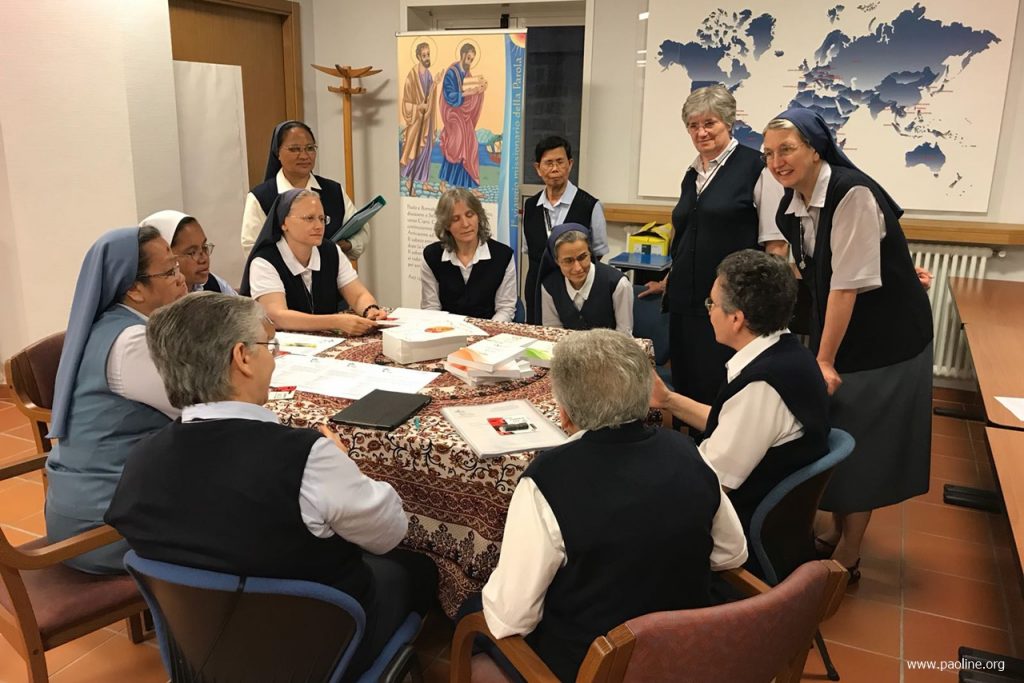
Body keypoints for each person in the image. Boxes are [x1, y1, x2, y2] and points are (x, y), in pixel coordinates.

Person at [105, 292, 436, 680]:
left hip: (202, 654)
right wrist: (347, 466)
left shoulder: (140, 461)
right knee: (416, 569)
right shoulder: (307, 458)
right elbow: (389, 533)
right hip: (317, 651)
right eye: (269, 346)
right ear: (242, 357)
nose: (274, 359)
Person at [473, 328, 747, 682]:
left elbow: (511, 619)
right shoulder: (691, 454)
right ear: (645, 397)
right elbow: (731, 554)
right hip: (686, 655)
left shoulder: (546, 480)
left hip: (594, 667)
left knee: (471, 616)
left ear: (565, 412)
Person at [762, 108, 933, 582]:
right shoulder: (794, 203)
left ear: (816, 149)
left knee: (865, 446)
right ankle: (837, 530)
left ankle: (850, 551)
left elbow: (845, 286)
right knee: (841, 431)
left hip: (887, 341)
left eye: (787, 149)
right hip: (844, 333)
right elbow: (811, 276)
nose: (776, 162)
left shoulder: (851, 192)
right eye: (769, 154)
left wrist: (823, 359)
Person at [650, 250, 829, 542]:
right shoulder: (788, 350)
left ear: (736, 319)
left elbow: (708, 482)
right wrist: (668, 400)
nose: (709, 311)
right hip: (763, 502)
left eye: (712, 303)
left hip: (739, 526)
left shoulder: (762, 387)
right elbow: (732, 425)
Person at [45, 226, 187, 573]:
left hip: (95, 503)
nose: (181, 278)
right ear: (134, 288)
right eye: (169, 271)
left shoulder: (118, 326)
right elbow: (201, 406)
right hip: (102, 528)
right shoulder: (131, 343)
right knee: (244, 508)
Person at [639, 85, 785, 410]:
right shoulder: (692, 173)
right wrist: (668, 280)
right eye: (693, 125)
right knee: (686, 386)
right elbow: (688, 236)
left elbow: (775, 245)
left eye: (709, 123)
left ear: (728, 123)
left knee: (721, 392)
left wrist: (766, 307)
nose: (701, 132)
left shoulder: (757, 168)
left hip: (729, 306)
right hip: (684, 304)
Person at [240, 189, 387, 335]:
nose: (319, 226)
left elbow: (358, 295)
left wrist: (370, 309)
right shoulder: (265, 260)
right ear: (284, 222)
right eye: (309, 218)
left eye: (322, 219)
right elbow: (277, 316)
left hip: (328, 341)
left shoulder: (331, 251)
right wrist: (335, 322)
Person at [241, 120, 370, 261]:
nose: (304, 156)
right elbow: (252, 247)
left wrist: (346, 245)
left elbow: (361, 231)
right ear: (277, 152)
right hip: (280, 274)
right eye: (294, 149)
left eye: (310, 148)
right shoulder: (261, 197)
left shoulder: (333, 190)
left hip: (331, 271)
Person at [522, 136, 608, 324]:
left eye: (560, 162)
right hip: (537, 290)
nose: (555, 169)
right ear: (538, 168)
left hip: (576, 292)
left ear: (570, 164)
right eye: (548, 163)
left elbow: (598, 252)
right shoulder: (530, 206)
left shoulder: (590, 205)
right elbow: (530, 250)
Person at [420, 188, 516, 321]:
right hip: (446, 328)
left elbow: (505, 309)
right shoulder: (431, 256)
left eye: (470, 215)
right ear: (446, 225)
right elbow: (431, 307)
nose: (465, 224)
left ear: (479, 217)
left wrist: (486, 332)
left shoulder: (503, 256)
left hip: (488, 329)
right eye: (455, 219)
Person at [539, 224, 632, 334]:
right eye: (568, 261)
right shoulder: (549, 286)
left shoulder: (618, 284)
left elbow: (624, 335)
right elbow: (553, 333)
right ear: (556, 261)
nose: (577, 268)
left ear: (590, 253)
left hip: (610, 345)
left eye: (582, 257)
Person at [140, 210, 236, 294]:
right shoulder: (157, 300)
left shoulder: (214, 285)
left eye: (204, 247)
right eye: (192, 252)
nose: (204, 259)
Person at [439, 43, 487, 191]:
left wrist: (480, 90)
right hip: (451, 113)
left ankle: (466, 186)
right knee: (458, 141)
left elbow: (470, 93)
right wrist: (469, 92)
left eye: (472, 60)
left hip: (462, 113)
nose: (470, 62)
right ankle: (443, 183)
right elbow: (449, 96)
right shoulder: (452, 72)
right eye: (468, 58)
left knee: (471, 143)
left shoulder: (467, 74)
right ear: (463, 54)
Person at [401, 41, 439, 197]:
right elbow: (406, 104)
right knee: (415, 151)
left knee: (427, 150)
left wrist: (435, 84)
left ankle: (424, 181)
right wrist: (418, 107)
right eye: (424, 55)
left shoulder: (428, 75)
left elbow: (430, 96)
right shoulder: (411, 77)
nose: (427, 57)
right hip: (417, 122)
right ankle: (409, 181)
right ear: (418, 57)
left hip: (427, 120)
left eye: (428, 54)